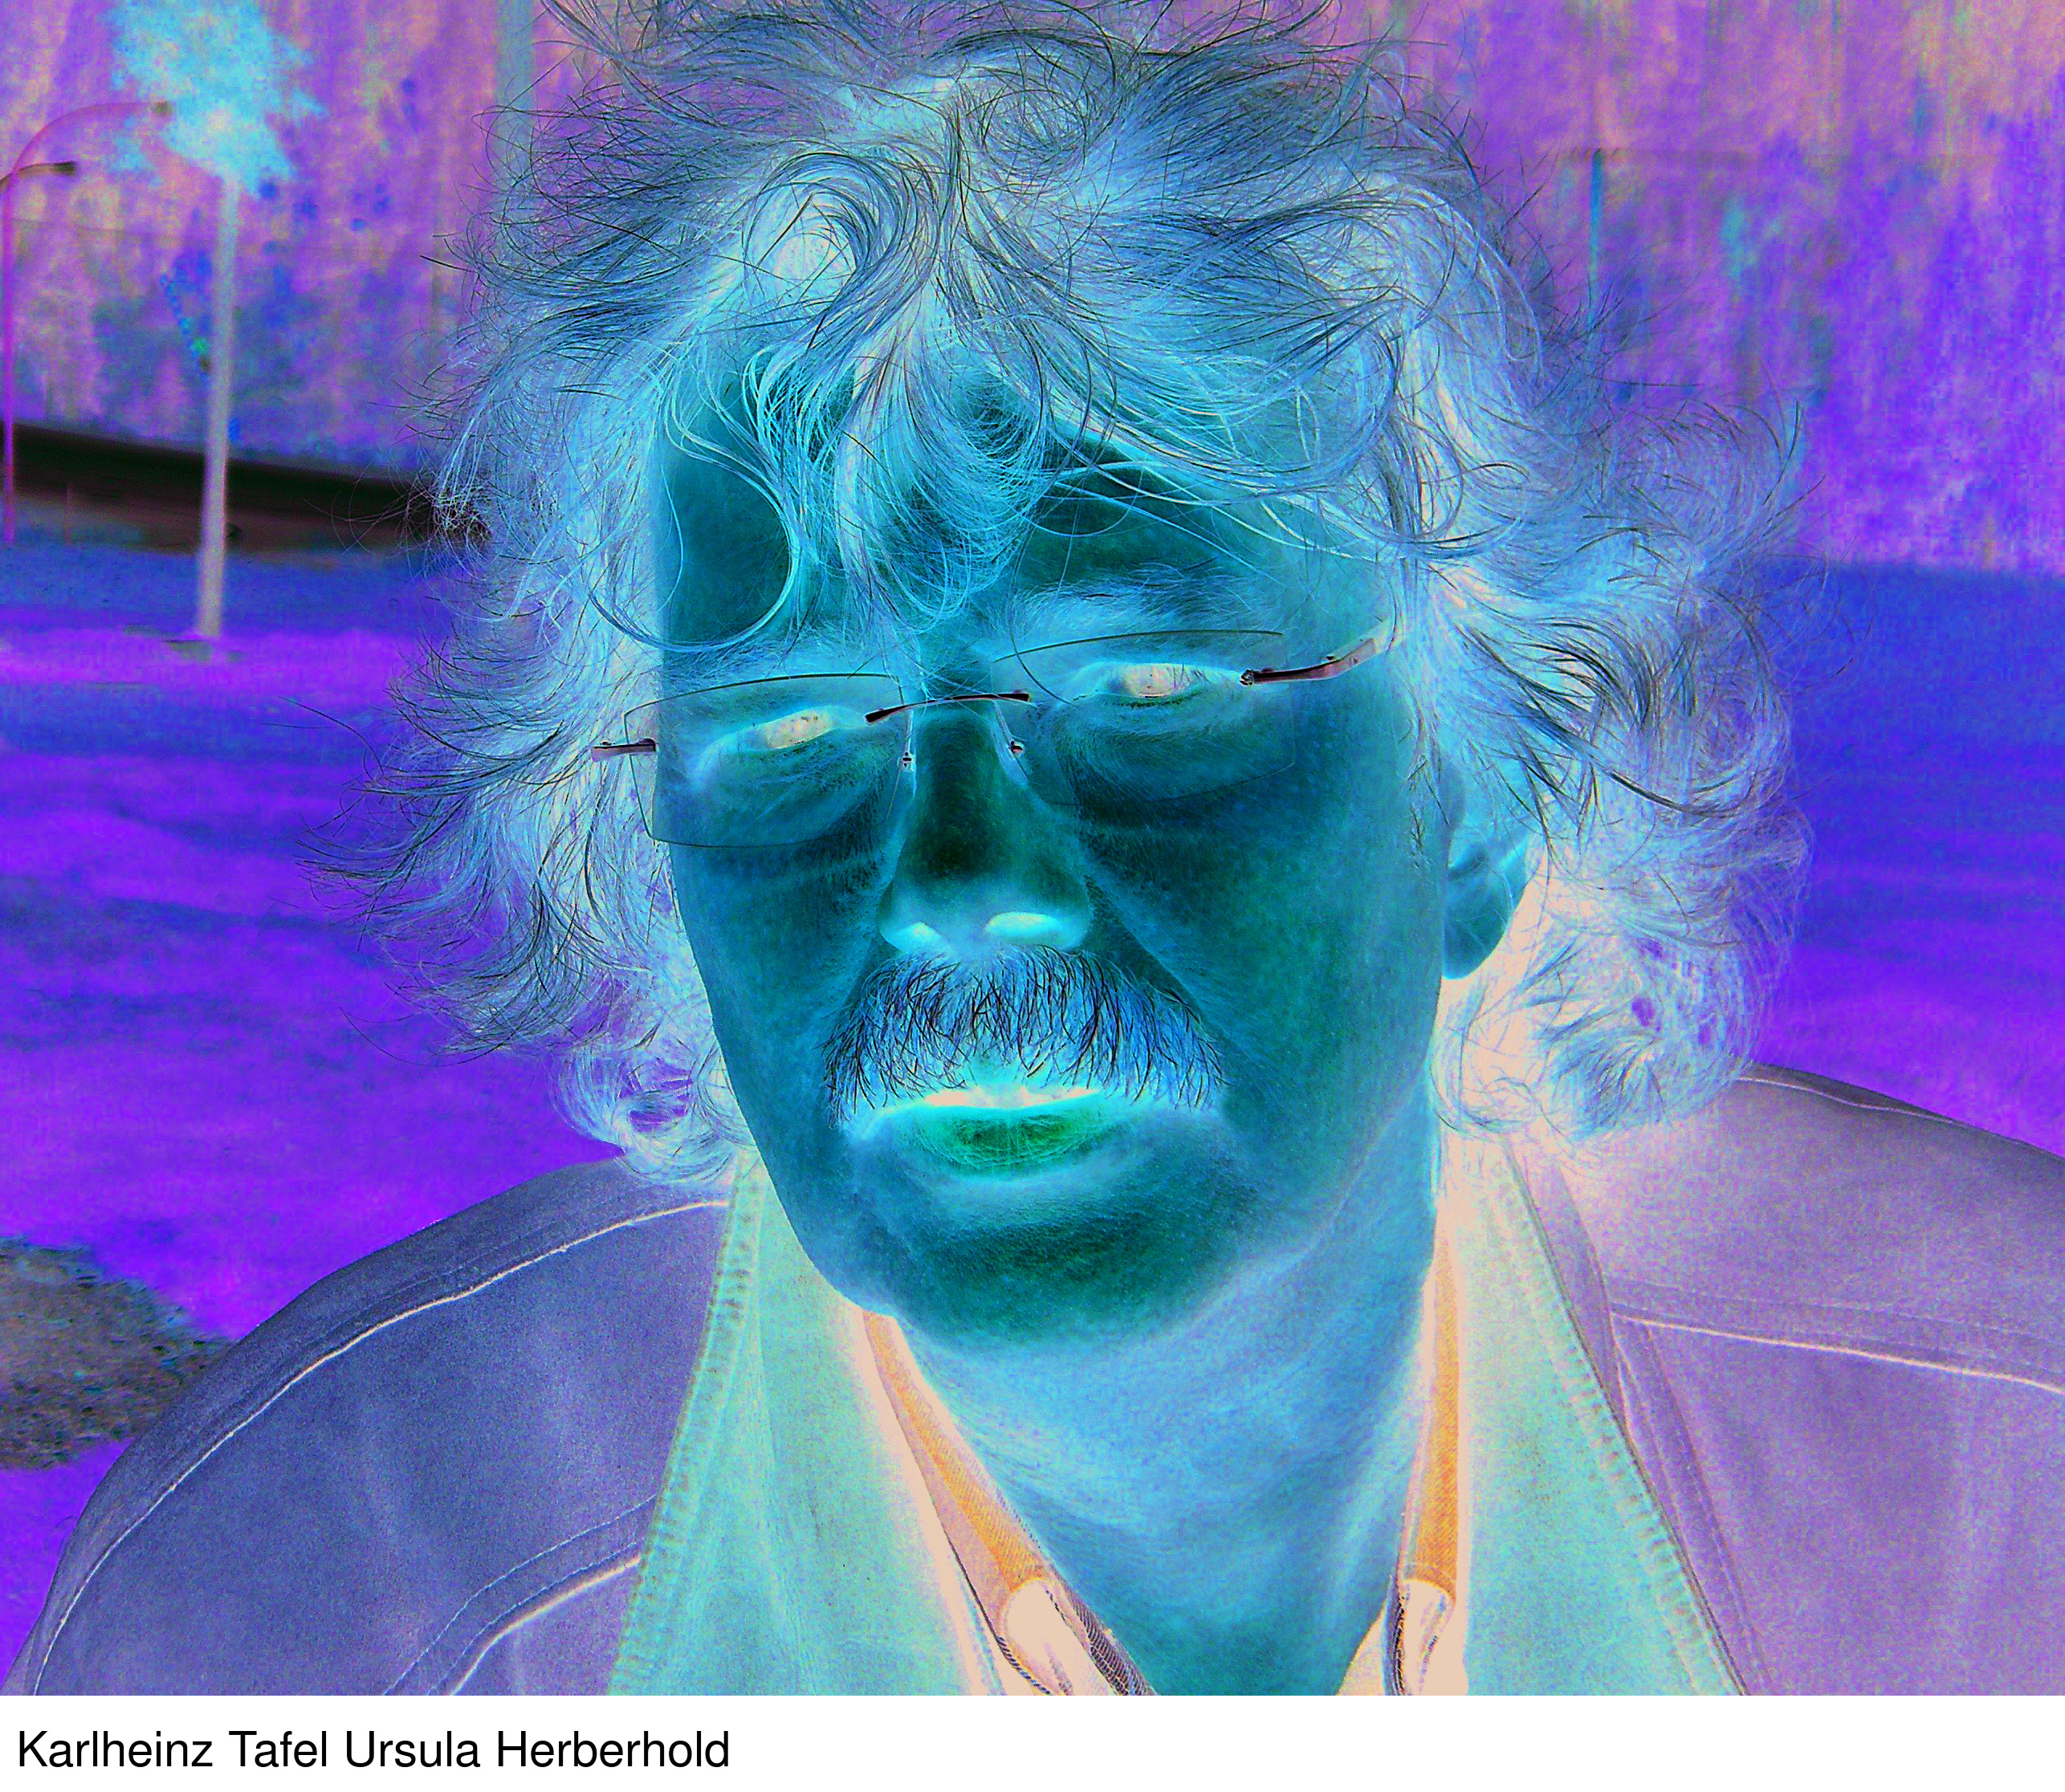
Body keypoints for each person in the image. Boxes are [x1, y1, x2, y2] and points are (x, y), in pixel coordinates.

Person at [10, 0, 2064, 1697]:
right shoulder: (304, 1613)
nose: (957, 867)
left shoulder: (2005, 1471)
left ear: (1476, 799)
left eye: (1147, 691)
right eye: (794, 728)